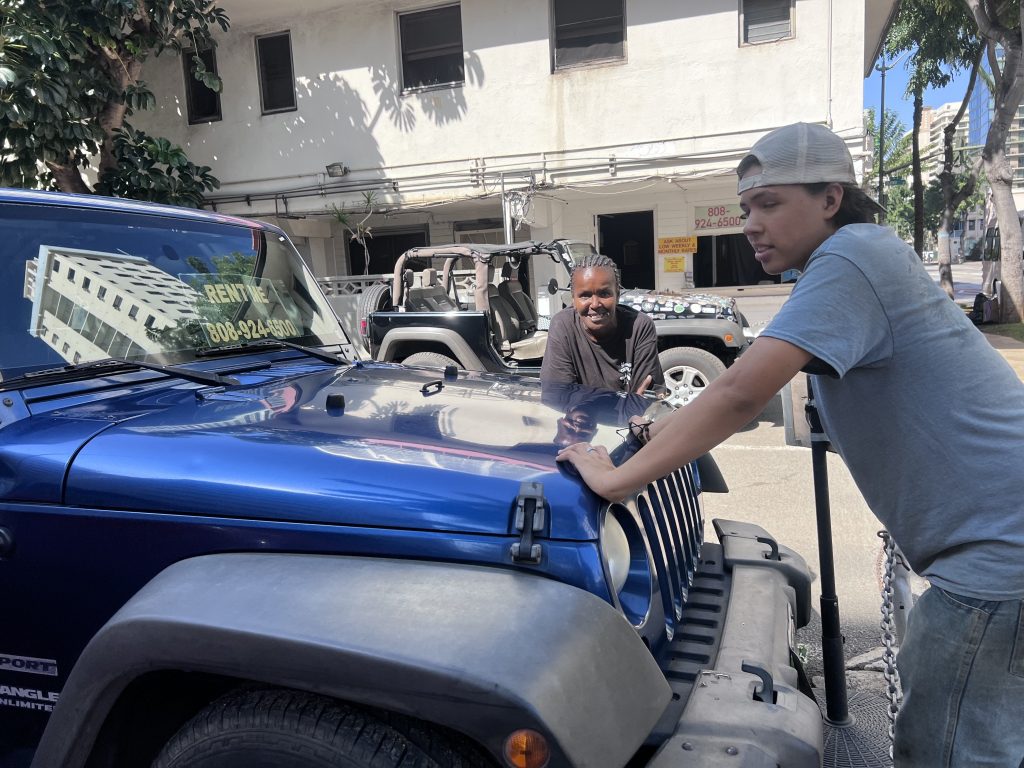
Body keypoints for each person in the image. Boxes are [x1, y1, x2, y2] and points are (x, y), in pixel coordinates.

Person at [556, 122, 1024, 768]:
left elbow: (741, 392)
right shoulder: (852, 259)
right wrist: (651, 434)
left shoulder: (850, 260)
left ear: (831, 199)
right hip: (993, 550)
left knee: (949, 753)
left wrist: (616, 482)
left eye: (770, 204)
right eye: (746, 207)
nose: (750, 223)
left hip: (995, 562)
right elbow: (746, 393)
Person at [541, 253, 664, 395]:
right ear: (573, 299)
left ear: (617, 295)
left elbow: (646, 399)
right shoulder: (562, 326)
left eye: (604, 294)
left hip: (629, 418)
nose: (595, 304)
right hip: (585, 418)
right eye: (585, 295)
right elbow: (558, 396)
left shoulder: (639, 326)